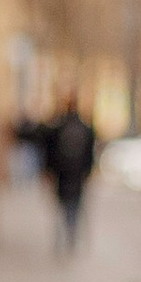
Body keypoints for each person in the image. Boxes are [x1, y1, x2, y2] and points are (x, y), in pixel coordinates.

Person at [44, 95, 98, 254]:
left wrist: (48, 171)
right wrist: (87, 172)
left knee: (61, 208)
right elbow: (90, 155)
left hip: (62, 175)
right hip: (77, 176)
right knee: (74, 208)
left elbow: (50, 153)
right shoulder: (85, 128)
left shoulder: (57, 128)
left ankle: (62, 240)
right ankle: (70, 238)